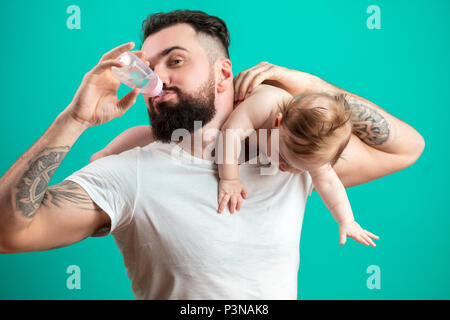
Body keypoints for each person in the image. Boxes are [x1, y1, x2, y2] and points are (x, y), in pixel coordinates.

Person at [0, 10, 424, 299]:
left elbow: (407, 147)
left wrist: (308, 84)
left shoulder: (285, 152)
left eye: (175, 60)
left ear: (224, 72)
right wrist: (74, 119)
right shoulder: (128, 173)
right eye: (147, 68)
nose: (157, 79)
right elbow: (8, 233)